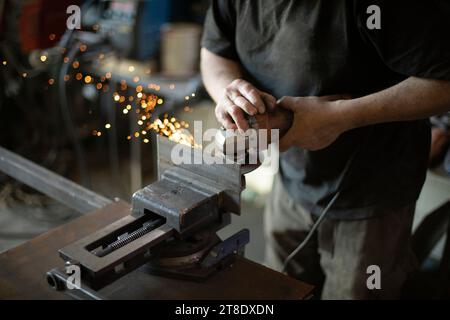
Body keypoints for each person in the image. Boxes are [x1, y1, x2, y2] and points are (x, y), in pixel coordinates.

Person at [200, 0, 450, 299]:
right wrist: (229, 94)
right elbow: (215, 53)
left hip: (372, 192)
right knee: (280, 286)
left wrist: (341, 117)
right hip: (293, 178)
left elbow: (444, 83)